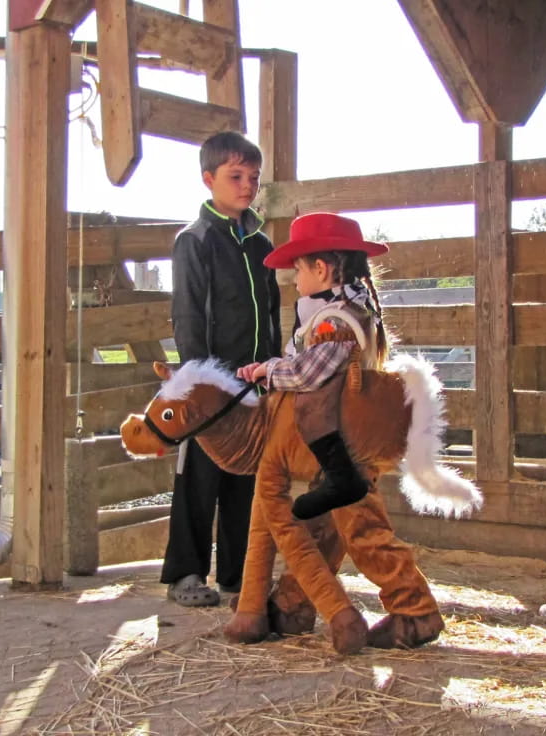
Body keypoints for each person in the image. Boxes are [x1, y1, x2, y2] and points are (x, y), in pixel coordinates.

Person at [162, 131, 282, 607]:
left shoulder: (261, 243)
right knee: (200, 478)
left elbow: (270, 313)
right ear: (209, 178)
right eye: (236, 176)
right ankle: (186, 574)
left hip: (256, 383)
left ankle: (237, 575)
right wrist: (201, 383)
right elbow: (188, 315)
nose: (247, 185)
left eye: (253, 176)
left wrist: (273, 370)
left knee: (245, 479)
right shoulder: (194, 241)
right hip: (211, 384)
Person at [237, 212, 389, 520]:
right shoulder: (338, 311)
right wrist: (267, 369)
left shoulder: (336, 319)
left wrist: (271, 372)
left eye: (297, 270)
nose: (294, 280)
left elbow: (308, 373)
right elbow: (304, 361)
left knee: (311, 401)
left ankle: (342, 478)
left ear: (320, 270)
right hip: (348, 421)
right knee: (337, 528)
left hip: (345, 426)